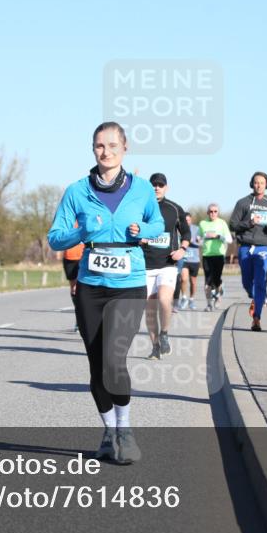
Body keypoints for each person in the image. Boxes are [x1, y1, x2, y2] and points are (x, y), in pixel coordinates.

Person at [48, 122, 164, 464]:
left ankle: (125, 429)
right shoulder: (76, 191)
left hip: (128, 284)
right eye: (100, 145)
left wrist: (142, 229)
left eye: (113, 145)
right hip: (90, 287)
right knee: (97, 366)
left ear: (125, 148)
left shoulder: (142, 190)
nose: (106, 151)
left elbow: (157, 225)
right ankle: (109, 430)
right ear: (93, 149)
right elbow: (55, 237)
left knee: (115, 360)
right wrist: (80, 231)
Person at [141, 173, 190, 360]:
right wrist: (139, 238)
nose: (157, 187)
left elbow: (185, 233)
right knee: (150, 308)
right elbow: (131, 230)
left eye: (160, 185)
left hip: (167, 263)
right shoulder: (141, 207)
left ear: (166, 187)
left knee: (164, 299)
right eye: (153, 184)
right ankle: (155, 346)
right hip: (146, 265)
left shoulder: (174, 209)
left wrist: (182, 250)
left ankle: (165, 333)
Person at [228, 172, 267, 332]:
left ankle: (257, 318)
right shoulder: (243, 203)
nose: (259, 185)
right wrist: (249, 222)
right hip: (246, 245)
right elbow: (233, 224)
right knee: (247, 282)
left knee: (261, 281)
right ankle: (254, 297)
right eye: (256, 182)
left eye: (262, 183)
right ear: (251, 184)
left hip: (263, 246)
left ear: (266, 185)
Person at [197, 204, 232, 311]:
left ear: (218, 212)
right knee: (207, 281)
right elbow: (198, 239)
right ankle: (208, 304)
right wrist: (203, 238)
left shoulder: (222, 223)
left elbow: (229, 239)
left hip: (219, 255)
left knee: (216, 280)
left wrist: (217, 236)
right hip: (207, 255)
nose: (213, 213)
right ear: (207, 213)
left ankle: (218, 296)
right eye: (211, 211)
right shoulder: (203, 223)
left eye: (215, 211)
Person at [57, 222, 84, 332]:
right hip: (69, 257)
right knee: (73, 289)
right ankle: (79, 317)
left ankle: (83, 317)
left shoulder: (86, 214)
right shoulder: (67, 217)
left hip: (84, 255)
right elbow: (60, 233)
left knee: (82, 287)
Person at [178, 213, 202, 310]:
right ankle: (184, 297)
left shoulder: (196, 229)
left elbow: (201, 242)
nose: (186, 222)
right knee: (183, 279)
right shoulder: (179, 229)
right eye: (185, 220)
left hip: (194, 259)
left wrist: (192, 241)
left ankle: (191, 299)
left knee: (193, 282)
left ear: (191, 220)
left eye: (188, 220)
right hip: (184, 258)